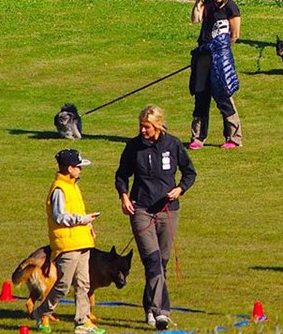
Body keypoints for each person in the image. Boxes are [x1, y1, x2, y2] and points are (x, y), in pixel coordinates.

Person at [115, 105, 197, 330]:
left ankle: (150, 307)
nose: (143, 131)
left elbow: (190, 172)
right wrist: (124, 196)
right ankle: (162, 313)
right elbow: (122, 175)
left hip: (168, 211)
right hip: (141, 210)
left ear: (158, 125)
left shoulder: (173, 144)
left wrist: (180, 188)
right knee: (152, 261)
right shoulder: (133, 147)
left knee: (161, 263)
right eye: (141, 126)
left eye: (147, 127)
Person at [41, 149, 106, 334]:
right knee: (63, 285)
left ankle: (82, 322)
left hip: (81, 242)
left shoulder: (73, 186)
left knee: (83, 284)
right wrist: (83, 219)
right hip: (67, 245)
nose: (81, 170)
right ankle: (42, 312)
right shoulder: (59, 189)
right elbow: (59, 216)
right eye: (78, 167)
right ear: (69, 168)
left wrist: (88, 226)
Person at [189, 0, 243, 149]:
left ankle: (234, 137)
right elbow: (195, 20)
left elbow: (235, 34)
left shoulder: (230, 7)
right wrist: (198, 0)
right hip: (203, 54)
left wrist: (221, 49)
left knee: (223, 94)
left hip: (220, 57)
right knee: (201, 94)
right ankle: (197, 137)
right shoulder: (207, 4)